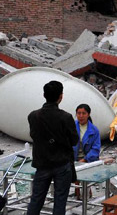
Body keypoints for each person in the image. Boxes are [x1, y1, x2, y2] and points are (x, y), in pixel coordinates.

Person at [26, 81, 79, 215]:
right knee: (60, 200)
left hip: (42, 163)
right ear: (61, 96)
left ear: (44, 95)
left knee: (36, 199)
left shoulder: (33, 116)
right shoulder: (66, 117)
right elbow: (74, 140)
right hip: (61, 164)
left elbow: (34, 136)